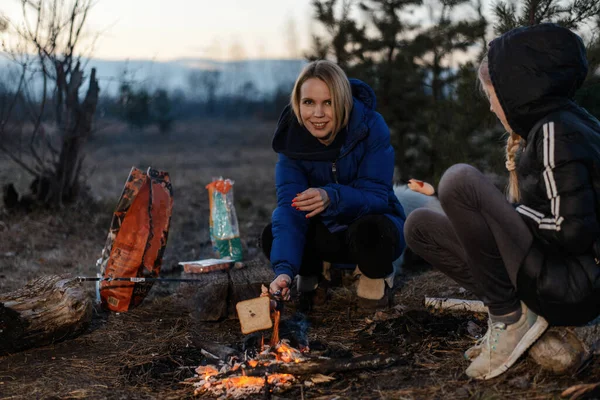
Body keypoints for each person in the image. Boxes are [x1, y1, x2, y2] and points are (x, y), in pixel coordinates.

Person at [404, 23, 600, 380]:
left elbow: (572, 229)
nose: (492, 107)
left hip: (572, 286)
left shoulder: (557, 129)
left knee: (459, 179)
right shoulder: (544, 129)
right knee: (419, 226)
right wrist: (497, 214)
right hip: (549, 272)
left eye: (492, 95)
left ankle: (509, 319)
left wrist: (505, 215)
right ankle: (516, 311)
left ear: (515, 91)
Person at [261, 60, 406, 310]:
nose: (317, 114)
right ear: (298, 103)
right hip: (327, 234)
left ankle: (375, 277)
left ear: (342, 101)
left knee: (372, 230)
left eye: (327, 102)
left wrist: (333, 196)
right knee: (271, 235)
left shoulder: (370, 126)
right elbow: (290, 207)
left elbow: (377, 197)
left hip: (369, 230)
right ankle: (315, 274)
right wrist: (284, 271)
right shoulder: (292, 140)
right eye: (309, 102)